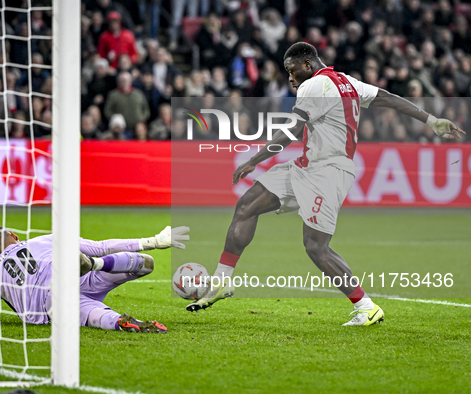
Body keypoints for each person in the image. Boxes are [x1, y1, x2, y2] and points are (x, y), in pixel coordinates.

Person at [186, 42, 465, 326]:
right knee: (246, 205)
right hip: (306, 166)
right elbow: (388, 98)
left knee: (316, 247)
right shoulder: (346, 82)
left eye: (292, 71)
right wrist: (431, 120)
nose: (290, 78)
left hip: (328, 172)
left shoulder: (314, 86)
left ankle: (366, 307)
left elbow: (292, 131)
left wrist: (254, 160)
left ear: (307, 65)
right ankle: (221, 281)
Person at [0, 225, 191, 333]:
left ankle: (119, 322)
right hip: (77, 276)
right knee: (145, 264)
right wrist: (152, 242)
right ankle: (97, 267)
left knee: (93, 316)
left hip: (52, 306)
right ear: (13, 235)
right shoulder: (41, 240)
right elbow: (101, 245)